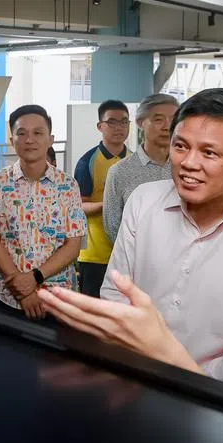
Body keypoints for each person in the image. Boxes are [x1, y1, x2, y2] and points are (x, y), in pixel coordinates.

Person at [45, 88, 223, 383]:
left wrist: (180, 381)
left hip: (215, 399)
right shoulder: (143, 201)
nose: (189, 163)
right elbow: (115, 295)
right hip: (127, 379)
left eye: (209, 152)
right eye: (180, 146)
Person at [0, 105, 87, 321]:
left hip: (58, 298)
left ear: (50, 139)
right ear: (12, 140)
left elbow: (73, 245)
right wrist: (22, 289)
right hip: (9, 297)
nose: (30, 140)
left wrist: (35, 277)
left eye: (38, 133)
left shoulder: (68, 185)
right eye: (21, 133)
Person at [102, 93, 179, 243]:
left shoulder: (187, 167)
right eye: (158, 119)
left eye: (174, 120)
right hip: (137, 260)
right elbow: (112, 228)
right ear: (140, 122)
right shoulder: (120, 171)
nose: (167, 126)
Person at [74, 100, 130, 297]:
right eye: (112, 122)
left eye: (124, 122)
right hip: (95, 255)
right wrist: (110, 204)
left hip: (129, 254)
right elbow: (79, 207)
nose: (119, 128)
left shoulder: (135, 161)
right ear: (100, 126)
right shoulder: (86, 162)